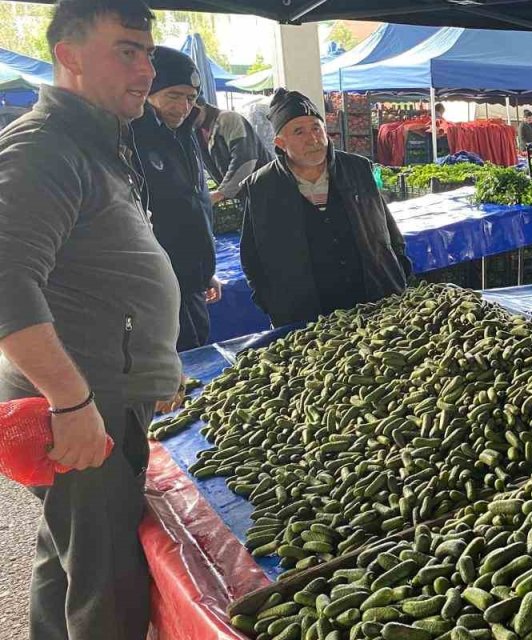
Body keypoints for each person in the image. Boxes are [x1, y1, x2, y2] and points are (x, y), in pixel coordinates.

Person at [0, 0, 180, 637]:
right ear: (68, 55)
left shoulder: (92, 140)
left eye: (147, 54)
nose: (145, 69)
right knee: (108, 585)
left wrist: (156, 363)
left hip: (99, 391)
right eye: (126, 51)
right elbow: (5, 279)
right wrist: (71, 402)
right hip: (82, 400)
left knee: (69, 560)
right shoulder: (43, 146)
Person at [239, 89, 413, 328]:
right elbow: (252, 257)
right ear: (280, 143)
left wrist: (398, 274)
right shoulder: (262, 186)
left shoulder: (357, 170)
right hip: (307, 317)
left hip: (375, 304)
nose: (313, 138)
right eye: (299, 131)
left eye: (316, 128)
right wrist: (274, 304)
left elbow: (389, 231)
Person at [131, 46, 221, 353]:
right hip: (157, 287)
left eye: (191, 97)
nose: (183, 106)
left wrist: (204, 269)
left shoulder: (186, 133)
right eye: (173, 95)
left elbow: (195, 204)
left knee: (198, 354)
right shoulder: (133, 137)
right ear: (149, 92)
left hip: (191, 283)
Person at [195, 98, 272, 206]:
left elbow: (246, 161)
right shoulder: (197, 133)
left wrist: (221, 193)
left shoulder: (228, 119)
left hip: (267, 192)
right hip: (247, 197)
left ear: (199, 102)